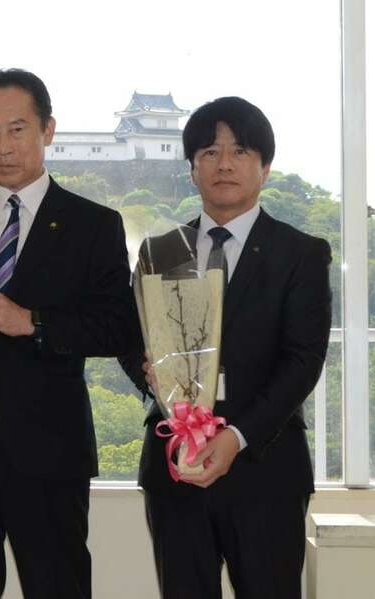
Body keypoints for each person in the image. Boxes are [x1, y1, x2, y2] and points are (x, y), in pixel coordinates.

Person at [0, 68, 136, 599]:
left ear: (48, 130)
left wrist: (33, 322)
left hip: (49, 444)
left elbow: (116, 326)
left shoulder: (94, 224)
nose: (2, 146)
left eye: (17, 129)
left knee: (58, 584)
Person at [119, 96, 332, 599]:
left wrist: (235, 436)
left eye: (240, 151)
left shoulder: (299, 253)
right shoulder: (161, 251)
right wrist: (148, 373)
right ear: (192, 169)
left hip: (264, 465)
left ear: (265, 167)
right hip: (176, 463)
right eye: (209, 153)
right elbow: (133, 341)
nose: (224, 164)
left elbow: (303, 361)